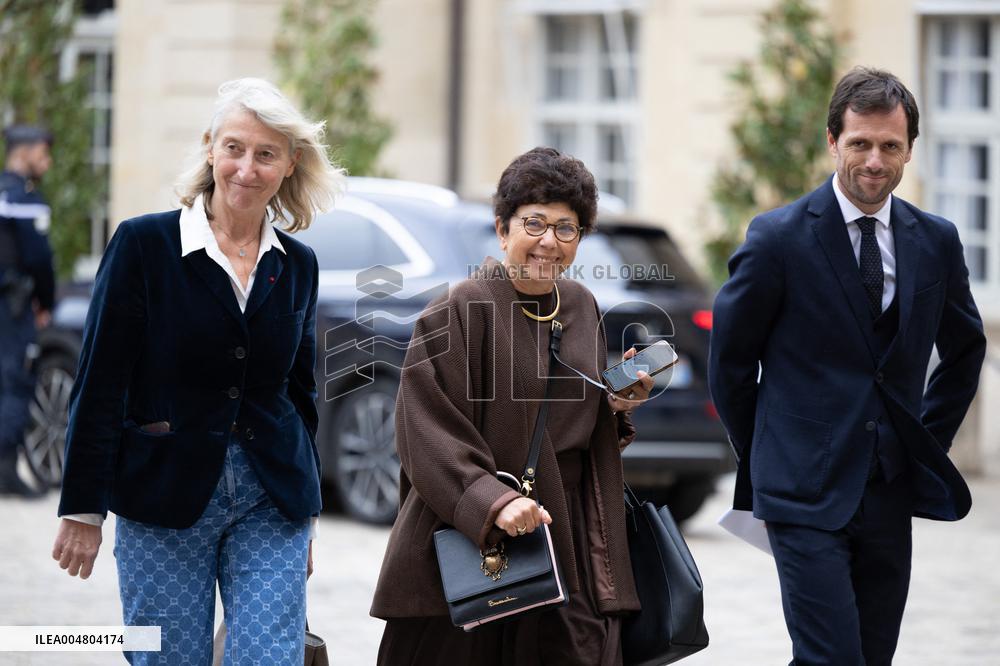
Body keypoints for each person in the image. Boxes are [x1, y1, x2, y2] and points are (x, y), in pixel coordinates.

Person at [51, 78, 343, 664]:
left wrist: (305, 511)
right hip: (163, 492)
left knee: (268, 657)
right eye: (234, 148)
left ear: (290, 164)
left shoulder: (299, 265)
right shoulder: (144, 244)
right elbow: (101, 381)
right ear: (211, 148)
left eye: (266, 154)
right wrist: (83, 508)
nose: (246, 168)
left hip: (270, 498)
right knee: (166, 658)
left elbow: (299, 393)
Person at [709, 67, 987, 665]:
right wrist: (766, 451)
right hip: (800, 490)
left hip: (888, 489)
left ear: (910, 149)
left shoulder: (935, 240)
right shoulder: (777, 238)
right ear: (833, 141)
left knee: (869, 656)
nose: (874, 160)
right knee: (830, 658)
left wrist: (922, 443)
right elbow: (730, 362)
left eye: (890, 145)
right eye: (860, 143)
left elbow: (964, 350)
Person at [371, 147, 654, 665]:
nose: (549, 241)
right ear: (503, 230)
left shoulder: (581, 306)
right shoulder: (459, 308)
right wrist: (492, 501)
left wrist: (616, 404)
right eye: (535, 223)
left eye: (566, 229)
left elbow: (576, 416)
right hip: (480, 542)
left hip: (566, 534)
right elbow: (424, 429)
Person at [0, 124, 55, 497]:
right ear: (27, 152)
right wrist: (46, 304)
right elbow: (39, 260)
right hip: (14, 308)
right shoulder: (24, 200)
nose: (47, 163)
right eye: (44, 154)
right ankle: (5, 469)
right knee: (15, 384)